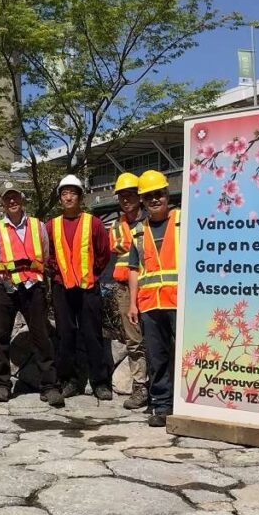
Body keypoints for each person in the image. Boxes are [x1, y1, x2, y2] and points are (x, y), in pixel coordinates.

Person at [0, 183, 63, 407]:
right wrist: (5, 275)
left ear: (22, 199)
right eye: (7, 198)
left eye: (15, 197)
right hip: (4, 287)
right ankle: (1, 384)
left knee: (41, 336)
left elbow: (45, 255)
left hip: (32, 287)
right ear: (2, 203)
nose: (12, 202)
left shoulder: (38, 226)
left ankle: (49, 385)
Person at [48, 174, 113, 401]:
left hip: (88, 287)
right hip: (61, 287)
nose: (68, 197)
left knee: (92, 334)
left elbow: (104, 252)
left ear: (80, 197)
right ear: (59, 199)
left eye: (73, 193)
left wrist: (93, 273)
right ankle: (69, 380)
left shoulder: (93, 222)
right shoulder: (52, 226)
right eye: (64, 193)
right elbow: (46, 254)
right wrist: (57, 271)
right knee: (65, 334)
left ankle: (100, 382)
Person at [127, 170, 179, 428]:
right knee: (157, 357)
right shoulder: (138, 231)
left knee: (183, 355)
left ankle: (186, 402)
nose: (155, 200)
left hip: (179, 301)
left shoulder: (182, 221)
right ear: (143, 201)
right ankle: (162, 404)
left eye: (159, 194)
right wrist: (133, 304)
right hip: (150, 303)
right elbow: (134, 270)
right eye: (149, 197)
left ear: (167, 195)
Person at [109, 172, 149, 410]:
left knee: (158, 338)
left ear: (140, 196)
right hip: (125, 288)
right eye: (122, 196)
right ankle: (140, 386)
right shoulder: (117, 225)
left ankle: (164, 385)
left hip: (151, 285)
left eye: (130, 194)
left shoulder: (150, 221)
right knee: (134, 340)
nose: (126, 199)